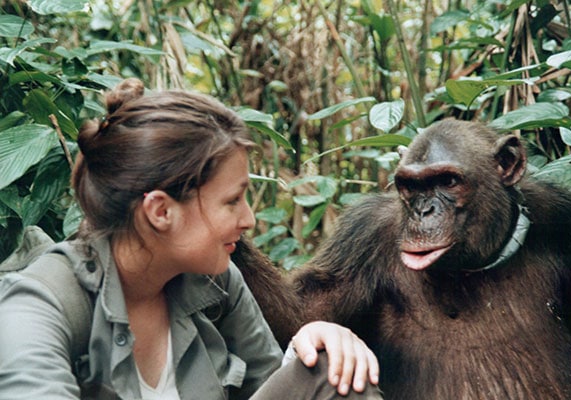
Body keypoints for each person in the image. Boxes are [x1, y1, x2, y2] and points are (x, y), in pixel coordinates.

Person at [0, 79, 382, 399]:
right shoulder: (40, 305)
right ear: (161, 212)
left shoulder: (216, 280)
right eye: (232, 201)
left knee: (335, 373)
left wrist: (310, 343)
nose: (249, 219)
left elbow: (266, 386)